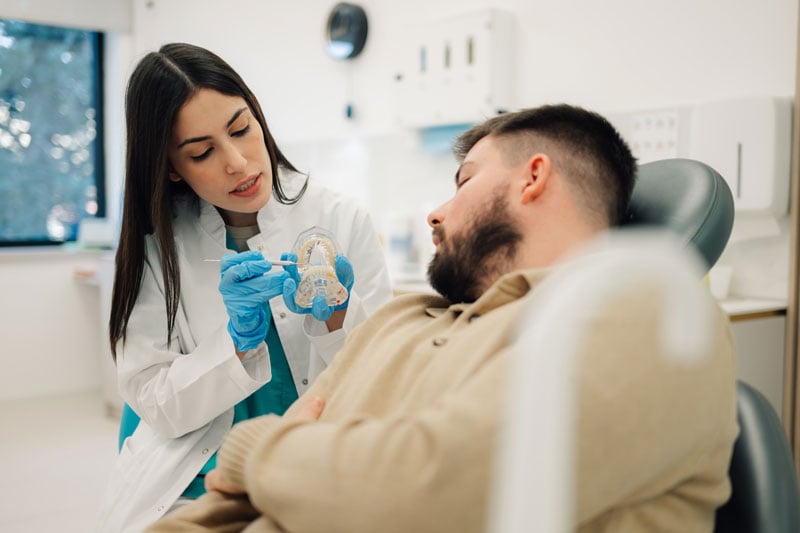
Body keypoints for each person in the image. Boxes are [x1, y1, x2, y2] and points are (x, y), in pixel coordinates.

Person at [149, 104, 738, 533]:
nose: (435, 213)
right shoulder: (405, 319)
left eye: (464, 182)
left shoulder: (647, 312)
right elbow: (232, 504)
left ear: (533, 177)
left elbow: (422, 492)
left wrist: (258, 445)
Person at [97, 43, 393, 531]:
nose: (237, 162)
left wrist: (340, 316)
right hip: (196, 471)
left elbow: (383, 377)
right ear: (172, 166)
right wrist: (236, 342)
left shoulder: (339, 217)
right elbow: (155, 402)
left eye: (241, 129)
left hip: (314, 456)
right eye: (202, 152)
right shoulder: (155, 248)